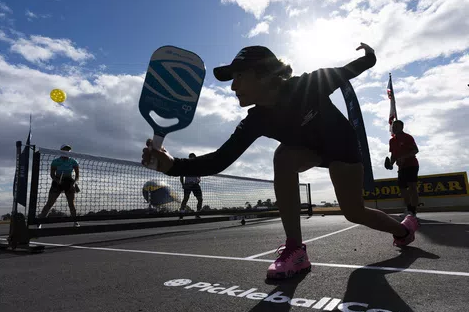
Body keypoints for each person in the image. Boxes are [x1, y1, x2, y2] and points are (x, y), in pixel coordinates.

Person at [141, 43, 420, 279]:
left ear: (262, 75)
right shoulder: (256, 119)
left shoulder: (307, 86)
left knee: (354, 213)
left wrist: (369, 57)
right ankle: (296, 251)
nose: (233, 86)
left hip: (342, 148)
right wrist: (173, 166)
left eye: (238, 76)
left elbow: (349, 71)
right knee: (283, 157)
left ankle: (403, 229)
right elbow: (221, 159)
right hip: (308, 150)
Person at [38, 144, 80, 228]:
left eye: (68, 150)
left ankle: (75, 221)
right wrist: (57, 180)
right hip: (57, 182)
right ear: (61, 151)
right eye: (65, 150)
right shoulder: (55, 161)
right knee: (50, 203)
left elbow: (77, 175)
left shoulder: (73, 161)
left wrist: (74, 182)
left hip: (69, 182)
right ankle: (40, 222)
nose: (67, 151)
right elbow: (52, 174)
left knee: (71, 204)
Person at [389, 120, 420, 216]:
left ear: (402, 127)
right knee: (402, 189)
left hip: (412, 165)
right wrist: (390, 164)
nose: (394, 128)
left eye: (396, 126)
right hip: (401, 168)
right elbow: (393, 155)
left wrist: (404, 157)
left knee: (412, 187)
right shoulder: (392, 141)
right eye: (393, 126)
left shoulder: (408, 137)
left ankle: (413, 211)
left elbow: (415, 150)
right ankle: (409, 209)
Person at [179, 153, 203, 219]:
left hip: (195, 185)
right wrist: (183, 184)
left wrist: (198, 181)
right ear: (189, 158)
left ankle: (197, 213)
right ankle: (181, 213)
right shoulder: (186, 166)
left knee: (200, 199)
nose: (192, 159)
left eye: (193, 158)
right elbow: (181, 176)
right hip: (188, 185)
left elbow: (199, 177)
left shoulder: (197, 167)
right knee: (186, 198)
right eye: (191, 157)